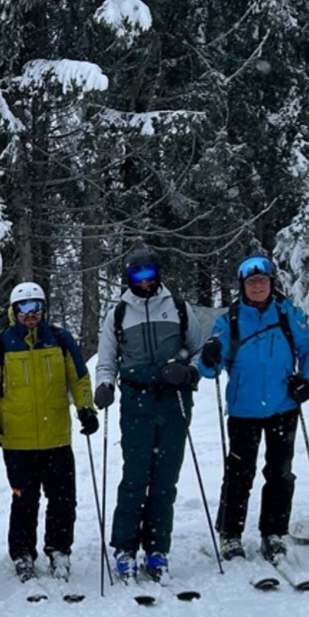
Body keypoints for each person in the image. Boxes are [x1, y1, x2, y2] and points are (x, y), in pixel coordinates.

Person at [196, 255, 309, 562]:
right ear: (243, 286)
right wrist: (209, 357)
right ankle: (230, 535)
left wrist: (307, 380)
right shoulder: (230, 320)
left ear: (271, 283)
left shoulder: (288, 313)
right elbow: (209, 370)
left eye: (262, 281)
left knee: (280, 473)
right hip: (243, 411)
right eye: (251, 282)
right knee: (239, 474)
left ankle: (273, 532)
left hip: (283, 406)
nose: (258, 286)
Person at [93, 246, 205, 580]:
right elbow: (107, 358)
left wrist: (189, 373)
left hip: (174, 401)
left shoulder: (178, 308)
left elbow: (199, 350)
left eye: (149, 271)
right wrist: (104, 385)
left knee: (164, 480)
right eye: (136, 273)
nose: (144, 279)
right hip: (135, 400)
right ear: (127, 277)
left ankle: (157, 549)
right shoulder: (118, 314)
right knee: (135, 477)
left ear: (158, 273)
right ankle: (125, 548)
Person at [0, 282, 97, 582]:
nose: (30, 314)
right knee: (24, 499)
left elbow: (79, 379)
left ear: (43, 309)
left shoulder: (59, 339)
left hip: (56, 435)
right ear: (13, 311)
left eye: (35, 307)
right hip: (17, 441)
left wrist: (86, 408)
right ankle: (22, 553)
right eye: (23, 308)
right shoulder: (1, 345)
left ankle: (59, 549)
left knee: (62, 498)